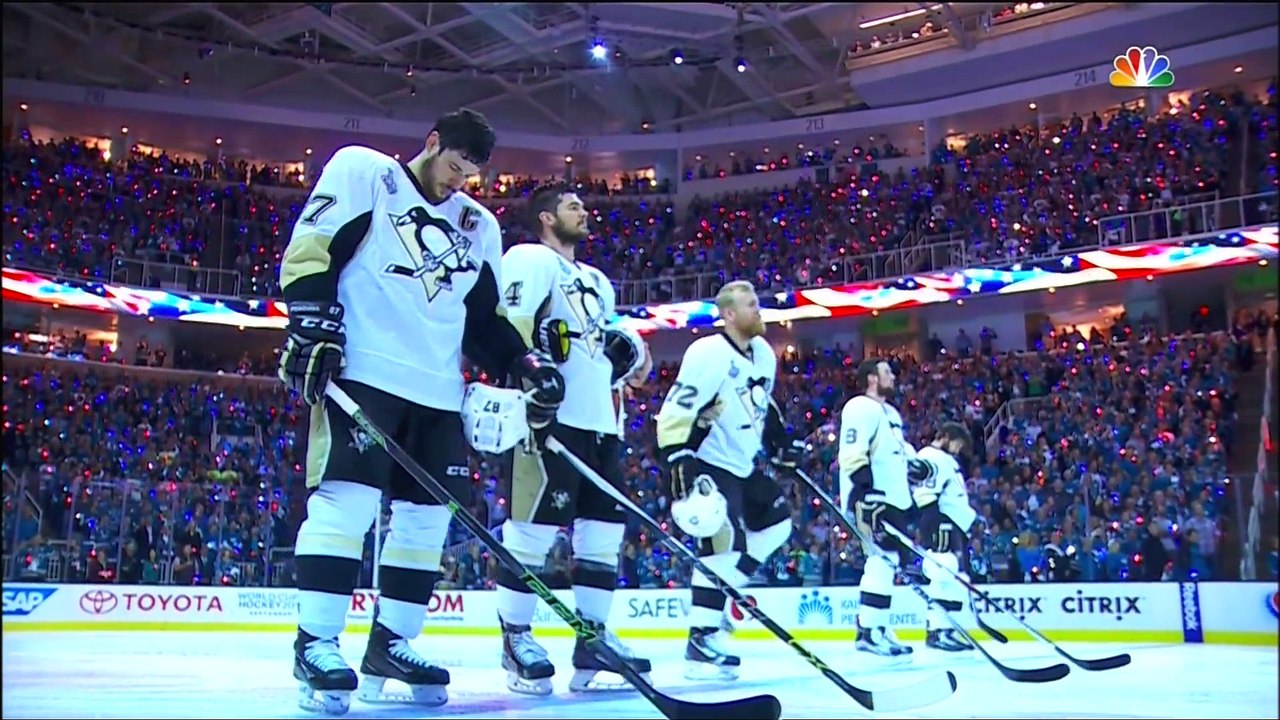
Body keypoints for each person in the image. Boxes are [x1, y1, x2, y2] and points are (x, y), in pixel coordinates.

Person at [278, 108, 566, 714]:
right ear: (432, 144)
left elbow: (485, 319)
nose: (459, 181)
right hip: (364, 373)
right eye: (455, 166)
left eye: (470, 174)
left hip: (440, 393)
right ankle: (316, 643)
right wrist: (311, 323)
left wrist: (525, 363)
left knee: (426, 522)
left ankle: (391, 644)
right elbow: (313, 248)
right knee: (346, 506)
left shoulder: (477, 224)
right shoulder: (367, 173)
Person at [494, 184, 654, 695]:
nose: (584, 212)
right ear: (546, 217)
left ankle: (593, 641)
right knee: (532, 529)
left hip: (602, 424)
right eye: (572, 206)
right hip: (548, 418)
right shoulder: (529, 259)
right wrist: (528, 379)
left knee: (602, 533)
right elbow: (511, 329)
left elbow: (614, 356)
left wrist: (635, 358)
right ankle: (515, 638)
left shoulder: (597, 280)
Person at [654, 281, 800, 680]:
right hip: (708, 461)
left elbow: (764, 404)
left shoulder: (764, 354)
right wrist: (677, 454)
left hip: (742, 464)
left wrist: (780, 443)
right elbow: (677, 406)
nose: (759, 310)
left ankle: (726, 589)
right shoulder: (708, 352)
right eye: (750, 305)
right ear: (729, 314)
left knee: (778, 524)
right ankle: (701, 641)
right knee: (722, 542)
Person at [837, 359, 914, 658]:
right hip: (871, 496)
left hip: (895, 498)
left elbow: (897, 453)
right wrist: (865, 490)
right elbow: (852, 451)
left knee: (890, 561)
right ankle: (869, 630)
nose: (892, 376)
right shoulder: (859, 406)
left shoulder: (891, 413)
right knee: (882, 558)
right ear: (871, 378)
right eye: (886, 372)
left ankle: (877, 625)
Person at [909, 421, 977, 652]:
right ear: (946, 437)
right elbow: (925, 492)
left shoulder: (947, 459)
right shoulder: (931, 456)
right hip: (941, 521)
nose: (958, 449)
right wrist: (936, 522)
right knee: (943, 571)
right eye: (958, 443)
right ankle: (936, 630)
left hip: (954, 523)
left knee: (956, 578)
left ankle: (948, 629)